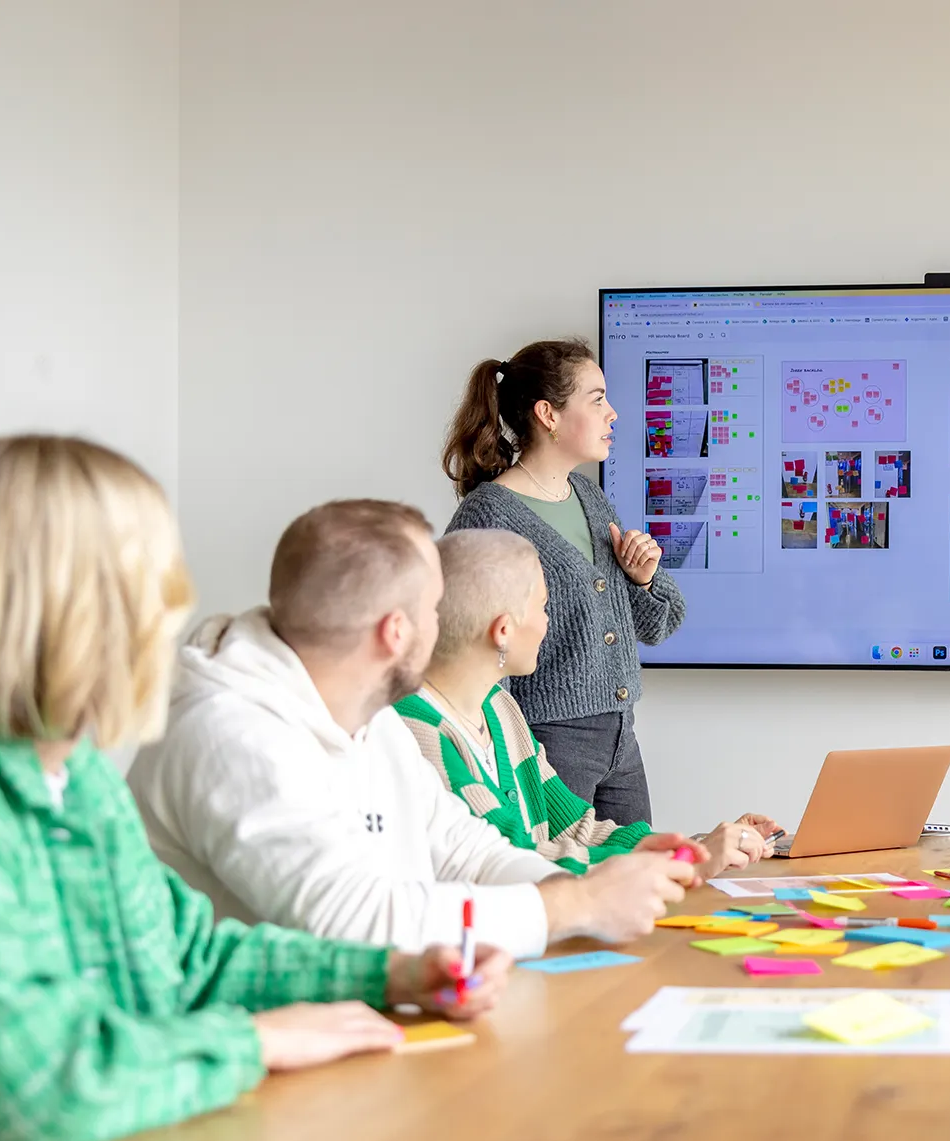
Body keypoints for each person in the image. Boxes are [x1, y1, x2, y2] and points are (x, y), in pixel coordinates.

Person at [0, 436, 513, 1141]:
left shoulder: (69, 766)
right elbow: (19, 1078)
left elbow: (184, 959)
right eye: (154, 589)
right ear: (72, 609)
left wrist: (391, 974)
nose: (168, 616)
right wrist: (253, 1044)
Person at [129, 500, 696, 958]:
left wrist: (580, 892)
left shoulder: (368, 717)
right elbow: (356, 922)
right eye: (435, 610)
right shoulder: (234, 734)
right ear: (395, 633)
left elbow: (464, 851)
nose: (447, 624)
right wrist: (576, 908)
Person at [397, 529, 781, 873]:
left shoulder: (499, 708)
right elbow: (510, 857)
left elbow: (576, 828)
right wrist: (681, 860)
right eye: (543, 607)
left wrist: (697, 847)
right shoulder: (416, 730)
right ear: (503, 630)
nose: (547, 623)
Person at [441, 339, 683, 826]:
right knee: (561, 881)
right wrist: (505, 758)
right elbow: (471, 647)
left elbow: (659, 624)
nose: (612, 413)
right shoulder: (489, 514)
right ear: (548, 414)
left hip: (622, 738)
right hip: (545, 744)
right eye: (597, 399)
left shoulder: (590, 499)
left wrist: (643, 578)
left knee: (636, 881)